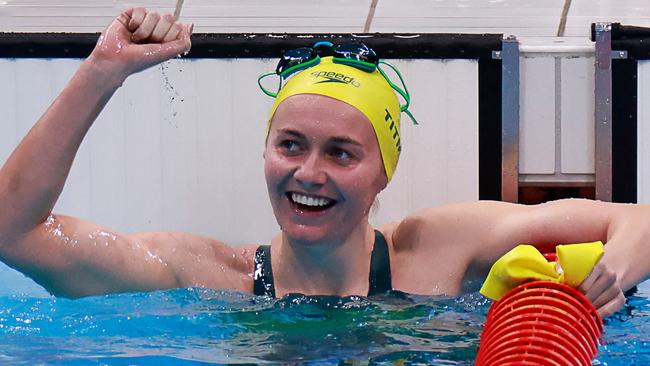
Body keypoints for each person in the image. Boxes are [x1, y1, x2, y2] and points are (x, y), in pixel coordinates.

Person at [0, 7, 646, 318]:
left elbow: (639, 220)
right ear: (266, 153)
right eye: (291, 145)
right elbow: (14, 232)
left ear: (382, 173)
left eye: (342, 153)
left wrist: (609, 279)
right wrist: (103, 71)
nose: (310, 172)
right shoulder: (207, 274)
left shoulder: (435, 249)